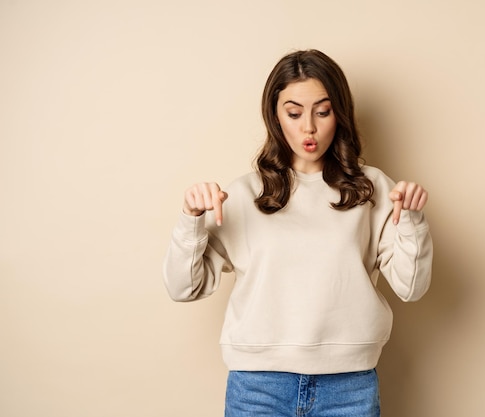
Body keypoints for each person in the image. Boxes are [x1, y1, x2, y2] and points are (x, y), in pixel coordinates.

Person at [163, 49, 433, 417]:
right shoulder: (242, 194)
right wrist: (191, 218)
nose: (309, 127)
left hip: (349, 387)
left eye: (322, 112)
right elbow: (183, 288)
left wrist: (413, 219)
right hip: (258, 387)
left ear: (339, 113)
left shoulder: (373, 189)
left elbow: (411, 287)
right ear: (275, 116)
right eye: (294, 113)